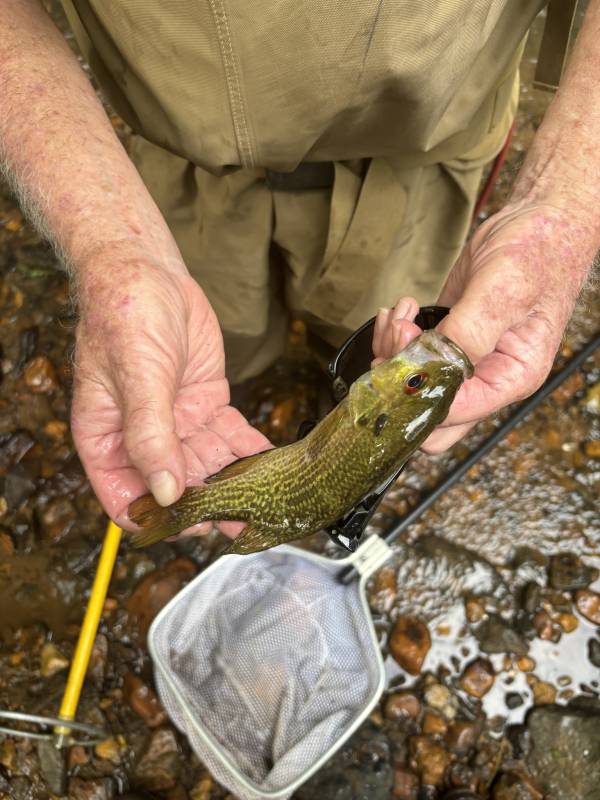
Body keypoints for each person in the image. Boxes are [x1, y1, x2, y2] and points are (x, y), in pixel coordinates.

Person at [1, 0, 598, 538]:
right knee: (205, 353)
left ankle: (317, 379)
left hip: (423, 162)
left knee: (368, 338)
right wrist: (112, 247)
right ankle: (255, 386)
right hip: (180, 165)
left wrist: (563, 208)